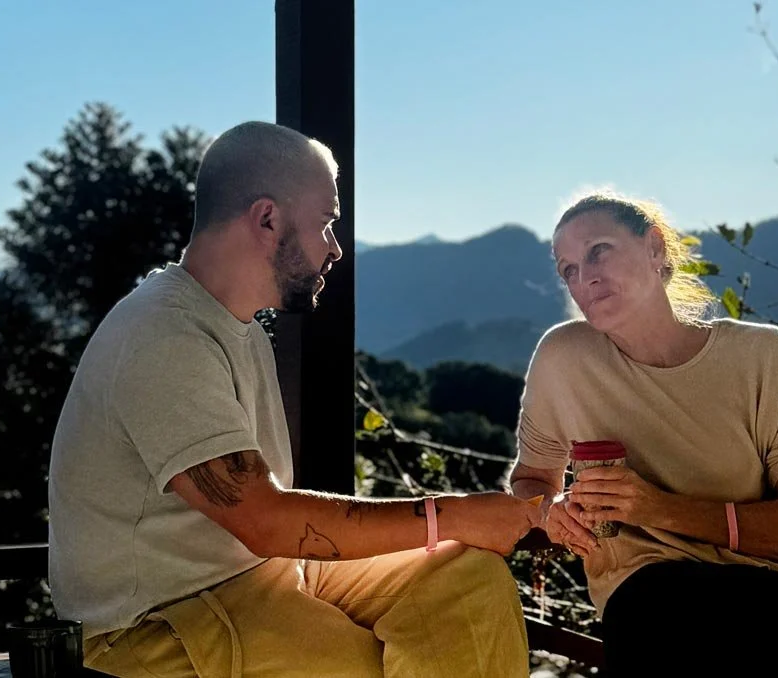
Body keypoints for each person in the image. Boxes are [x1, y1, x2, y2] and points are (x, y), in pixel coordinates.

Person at [48, 121, 539, 678]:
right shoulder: (162, 334)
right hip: (158, 622)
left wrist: (457, 526)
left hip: (263, 572)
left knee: (467, 582)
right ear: (267, 219)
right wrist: (451, 514)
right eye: (327, 222)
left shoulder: (243, 330)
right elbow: (263, 518)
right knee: (356, 667)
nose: (335, 247)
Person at [508, 191, 778, 677]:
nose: (585, 277)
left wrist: (656, 507)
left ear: (655, 248)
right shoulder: (563, 357)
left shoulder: (763, 357)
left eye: (599, 250)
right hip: (654, 599)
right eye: (568, 270)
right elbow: (532, 479)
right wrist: (548, 512)